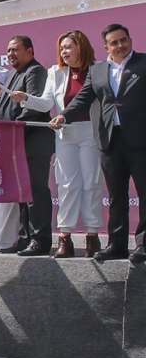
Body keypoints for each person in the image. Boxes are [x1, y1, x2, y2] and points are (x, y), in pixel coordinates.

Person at [55, 24, 146, 262]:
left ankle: (143, 245)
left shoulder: (143, 63)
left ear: (130, 39)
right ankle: (116, 246)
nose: (120, 45)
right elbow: (84, 97)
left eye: (123, 40)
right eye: (114, 42)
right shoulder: (98, 71)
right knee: (117, 196)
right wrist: (64, 116)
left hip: (140, 140)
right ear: (106, 47)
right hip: (110, 141)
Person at [17, 31, 103, 258]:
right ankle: (65, 236)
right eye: (62, 49)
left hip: (90, 134)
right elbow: (46, 103)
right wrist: (26, 98)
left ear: (81, 47)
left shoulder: (98, 69)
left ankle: (93, 236)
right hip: (65, 134)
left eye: (68, 47)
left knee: (91, 184)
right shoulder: (56, 72)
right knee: (67, 184)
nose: (64, 53)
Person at [0, 36, 56, 257]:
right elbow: (1, 101)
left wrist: (13, 130)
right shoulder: (13, 74)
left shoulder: (35, 72)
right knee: (23, 194)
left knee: (35, 192)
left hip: (33, 143)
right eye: (8, 51)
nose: (10, 54)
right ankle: (25, 238)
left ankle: (40, 240)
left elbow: (34, 107)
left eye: (15, 50)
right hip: (17, 143)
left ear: (30, 51)